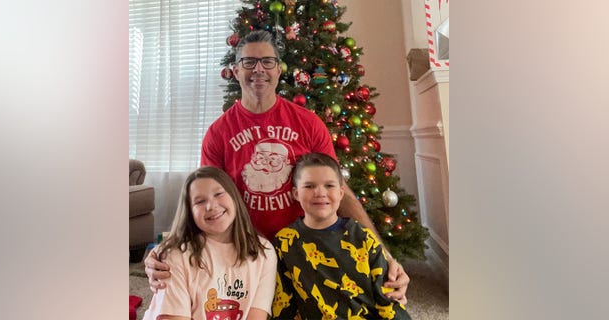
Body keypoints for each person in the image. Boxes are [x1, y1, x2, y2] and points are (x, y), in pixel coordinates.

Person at [144, 29, 410, 303]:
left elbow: (339, 191)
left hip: (307, 249)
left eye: (267, 61)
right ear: (236, 71)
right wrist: (167, 249)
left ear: (279, 69)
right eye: (249, 62)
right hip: (245, 252)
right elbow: (203, 202)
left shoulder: (309, 124)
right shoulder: (218, 133)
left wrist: (386, 256)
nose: (258, 69)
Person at [271, 153, 412, 319]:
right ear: (296, 194)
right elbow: (283, 302)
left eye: (329, 186)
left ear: (341, 193)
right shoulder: (285, 240)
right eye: (309, 186)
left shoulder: (363, 237)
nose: (320, 193)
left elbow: (387, 300)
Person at [142, 166, 277, 320]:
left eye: (218, 194)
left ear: (234, 197)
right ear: (190, 213)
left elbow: (256, 316)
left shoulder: (264, 251)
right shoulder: (175, 255)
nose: (211, 206)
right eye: (200, 201)